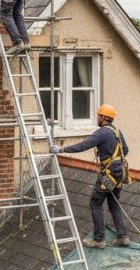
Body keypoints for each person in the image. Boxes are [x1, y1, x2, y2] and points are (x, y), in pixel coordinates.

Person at [50, 104, 131, 248]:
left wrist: (61, 149)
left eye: (99, 116)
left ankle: (99, 239)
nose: (97, 118)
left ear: (104, 117)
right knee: (113, 203)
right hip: (119, 173)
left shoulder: (101, 133)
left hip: (109, 173)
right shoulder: (117, 131)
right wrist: (113, 160)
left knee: (95, 202)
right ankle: (123, 236)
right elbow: (125, 150)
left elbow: (83, 145)